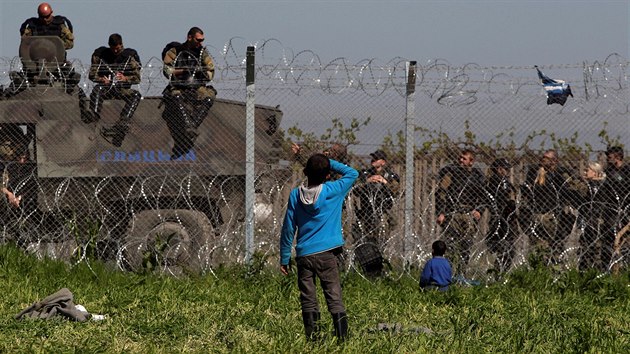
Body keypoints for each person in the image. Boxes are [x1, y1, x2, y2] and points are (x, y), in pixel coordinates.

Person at [280, 153, 358, 341]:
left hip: (304, 255)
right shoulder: (333, 190)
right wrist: (328, 162)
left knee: (308, 298)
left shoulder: (295, 195)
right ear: (328, 175)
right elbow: (352, 173)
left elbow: (288, 228)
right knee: (333, 295)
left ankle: (313, 339)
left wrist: (284, 257)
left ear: (305, 172)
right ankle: (342, 338)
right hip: (327, 254)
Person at [162, 27, 216, 158]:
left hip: (196, 86)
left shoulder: (202, 53)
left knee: (209, 96)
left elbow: (210, 72)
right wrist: (183, 70)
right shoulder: (175, 51)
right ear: (189, 37)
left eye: (202, 40)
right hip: (179, 85)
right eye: (198, 40)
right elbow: (167, 70)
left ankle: (191, 126)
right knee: (175, 96)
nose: (200, 42)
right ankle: (188, 126)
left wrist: (199, 71)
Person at [521, 149, 578, 264]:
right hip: (537, 214)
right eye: (542, 158)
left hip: (555, 216)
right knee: (539, 249)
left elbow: (568, 192)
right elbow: (527, 191)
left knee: (556, 248)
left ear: (554, 161)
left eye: (546, 159)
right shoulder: (534, 172)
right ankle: (540, 271)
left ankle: (555, 271)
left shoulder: (560, 174)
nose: (542, 161)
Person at [84, 33, 142, 147]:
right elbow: (92, 75)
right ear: (109, 46)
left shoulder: (129, 56)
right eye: (113, 49)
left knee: (136, 95)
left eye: (118, 49)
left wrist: (125, 78)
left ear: (121, 45)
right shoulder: (100, 55)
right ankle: (94, 115)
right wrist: (101, 79)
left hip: (122, 89)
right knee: (97, 89)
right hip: (106, 88)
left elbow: (137, 78)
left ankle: (123, 121)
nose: (116, 51)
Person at [435, 149, 486, 273]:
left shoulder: (477, 176)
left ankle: (461, 273)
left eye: (464, 158)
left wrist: (479, 210)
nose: (460, 160)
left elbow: (484, 196)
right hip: (453, 213)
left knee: (466, 245)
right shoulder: (451, 174)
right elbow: (441, 193)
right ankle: (448, 272)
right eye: (460, 158)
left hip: (469, 214)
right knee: (450, 245)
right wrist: (441, 212)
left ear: (471, 161)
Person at [352, 150, 399, 276]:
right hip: (366, 214)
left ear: (383, 162)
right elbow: (355, 190)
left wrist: (384, 182)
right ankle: (364, 270)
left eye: (376, 159)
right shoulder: (364, 174)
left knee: (380, 243)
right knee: (364, 242)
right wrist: (368, 181)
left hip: (383, 214)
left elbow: (396, 192)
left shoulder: (391, 176)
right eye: (372, 158)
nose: (373, 161)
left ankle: (379, 271)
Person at [16, 3, 79, 93]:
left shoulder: (60, 25)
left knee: (72, 81)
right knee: (18, 82)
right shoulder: (32, 26)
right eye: (42, 17)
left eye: (47, 16)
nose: (45, 19)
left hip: (57, 63)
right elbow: (25, 43)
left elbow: (70, 42)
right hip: (34, 64)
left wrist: (57, 47)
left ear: (51, 13)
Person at [484, 158, 517, 273]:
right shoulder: (498, 182)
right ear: (499, 169)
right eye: (505, 169)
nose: (507, 172)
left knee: (507, 248)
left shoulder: (503, 182)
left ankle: (499, 271)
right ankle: (498, 272)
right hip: (502, 218)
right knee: (505, 247)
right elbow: (502, 197)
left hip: (506, 218)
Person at [601, 146, 630, 269]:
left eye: (610, 157)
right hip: (611, 210)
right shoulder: (608, 171)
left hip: (626, 208)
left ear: (618, 157)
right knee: (609, 237)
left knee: (624, 238)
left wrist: (608, 179)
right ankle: (609, 265)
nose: (608, 159)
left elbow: (622, 183)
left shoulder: (627, 171)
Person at [575, 162, 606, 270]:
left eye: (587, 170)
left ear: (595, 172)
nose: (585, 172)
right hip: (590, 217)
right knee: (587, 244)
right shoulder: (591, 184)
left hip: (594, 218)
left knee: (593, 244)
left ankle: (591, 268)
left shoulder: (595, 185)